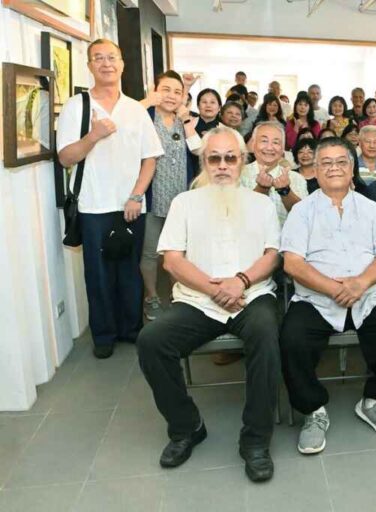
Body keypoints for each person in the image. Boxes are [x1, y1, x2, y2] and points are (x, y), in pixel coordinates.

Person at [136, 126, 280, 482]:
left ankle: (256, 440)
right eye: (214, 158)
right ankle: (186, 427)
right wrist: (214, 288)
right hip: (198, 299)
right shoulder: (184, 203)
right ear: (203, 162)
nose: (222, 166)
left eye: (230, 158)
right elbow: (172, 260)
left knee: (267, 335)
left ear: (242, 162)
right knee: (151, 341)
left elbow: (272, 256)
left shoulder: (261, 204)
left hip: (252, 294)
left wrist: (241, 281)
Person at [280, 137, 376, 455]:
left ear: (351, 166)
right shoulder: (302, 211)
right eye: (326, 162)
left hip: (366, 296)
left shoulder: (370, 209)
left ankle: (375, 400)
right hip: (316, 299)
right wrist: (333, 288)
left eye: (341, 161)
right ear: (314, 169)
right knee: (292, 339)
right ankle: (313, 411)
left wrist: (359, 284)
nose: (334, 168)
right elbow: (293, 263)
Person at [57, 39, 164, 359]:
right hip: (93, 206)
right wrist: (93, 136)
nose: (106, 64)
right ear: (89, 65)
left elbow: (150, 158)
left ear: (122, 64)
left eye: (112, 58)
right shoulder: (78, 106)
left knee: (129, 270)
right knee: (99, 274)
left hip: (132, 205)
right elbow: (65, 157)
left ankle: (131, 329)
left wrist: (136, 195)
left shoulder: (135, 109)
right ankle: (103, 335)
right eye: (98, 58)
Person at [140, 71, 202, 321]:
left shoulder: (186, 120)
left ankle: (181, 296)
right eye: (166, 89)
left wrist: (187, 123)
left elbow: (198, 151)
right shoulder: (144, 116)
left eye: (177, 92)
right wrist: (148, 101)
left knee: (181, 252)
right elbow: (125, 120)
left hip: (182, 198)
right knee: (150, 253)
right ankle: (151, 297)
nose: (171, 96)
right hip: (153, 197)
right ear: (155, 90)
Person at [241, 121, 308, 226]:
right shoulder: (239, 175)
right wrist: (261, 189)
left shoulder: (296, 178)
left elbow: (304, 218)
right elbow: (239, 216)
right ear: (253, 144)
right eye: (264, 141)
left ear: (282, 149)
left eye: (276, 142)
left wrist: (285, 191)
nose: (269, 147)